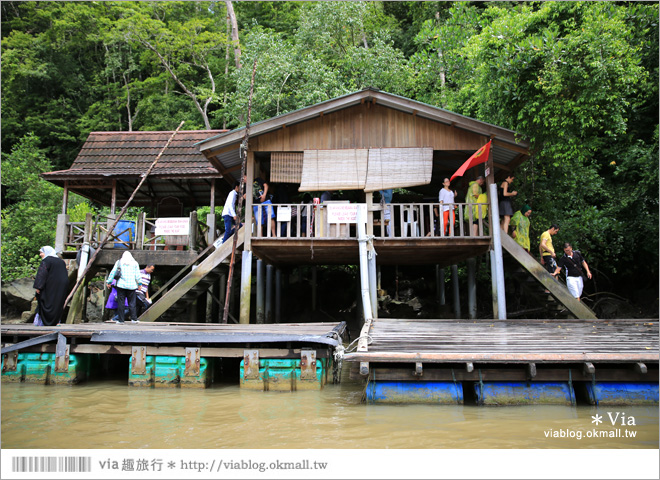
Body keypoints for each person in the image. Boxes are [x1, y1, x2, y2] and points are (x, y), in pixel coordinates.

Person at [32, 246, 68, 326]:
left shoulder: (46, 261)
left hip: (49, 288)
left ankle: (42, 323)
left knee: (44, 303)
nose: (40, 254)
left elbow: (42, 274)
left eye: (41, 252)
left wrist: (38, 287)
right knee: (57, 304)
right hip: (60, 288)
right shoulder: (61, 262)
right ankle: (56, 321)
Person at [106, 251, 142, 324]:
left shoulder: (119, 262)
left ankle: (121, 320)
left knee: (121, 303)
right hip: (132, 286)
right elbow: (137, 274)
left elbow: (113, 272)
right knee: (132, 303)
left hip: (121, 286)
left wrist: (109, 282)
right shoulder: (135, 263)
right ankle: (134, 319)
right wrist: (139, 284)